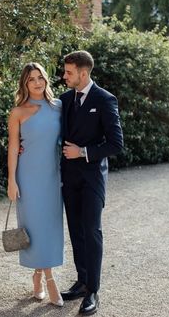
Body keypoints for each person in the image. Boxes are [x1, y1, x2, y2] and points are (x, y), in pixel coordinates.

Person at [60, 51, 124, 315]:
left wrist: (83, 152)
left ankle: (93, 291)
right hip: (69, 177)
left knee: (92, 230)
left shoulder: (105, 99)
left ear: (83, 73)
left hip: (92, 177)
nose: (64, 76)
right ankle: (82, 280)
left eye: (69, 72)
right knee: (75, 230)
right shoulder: (64, 100)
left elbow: (115, 144)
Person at [7, 62, 64, 306]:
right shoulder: (18, 112)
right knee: (34, 227)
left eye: (40, 77)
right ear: (25, 83)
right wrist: (11, 179)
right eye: (32, 79)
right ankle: (50, 281)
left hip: (53, 177)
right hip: (27, 178)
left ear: (46, 79)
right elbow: (12, 147)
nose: (38, 82)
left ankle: (38, 275)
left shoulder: (59, 107)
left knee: (50, 228)